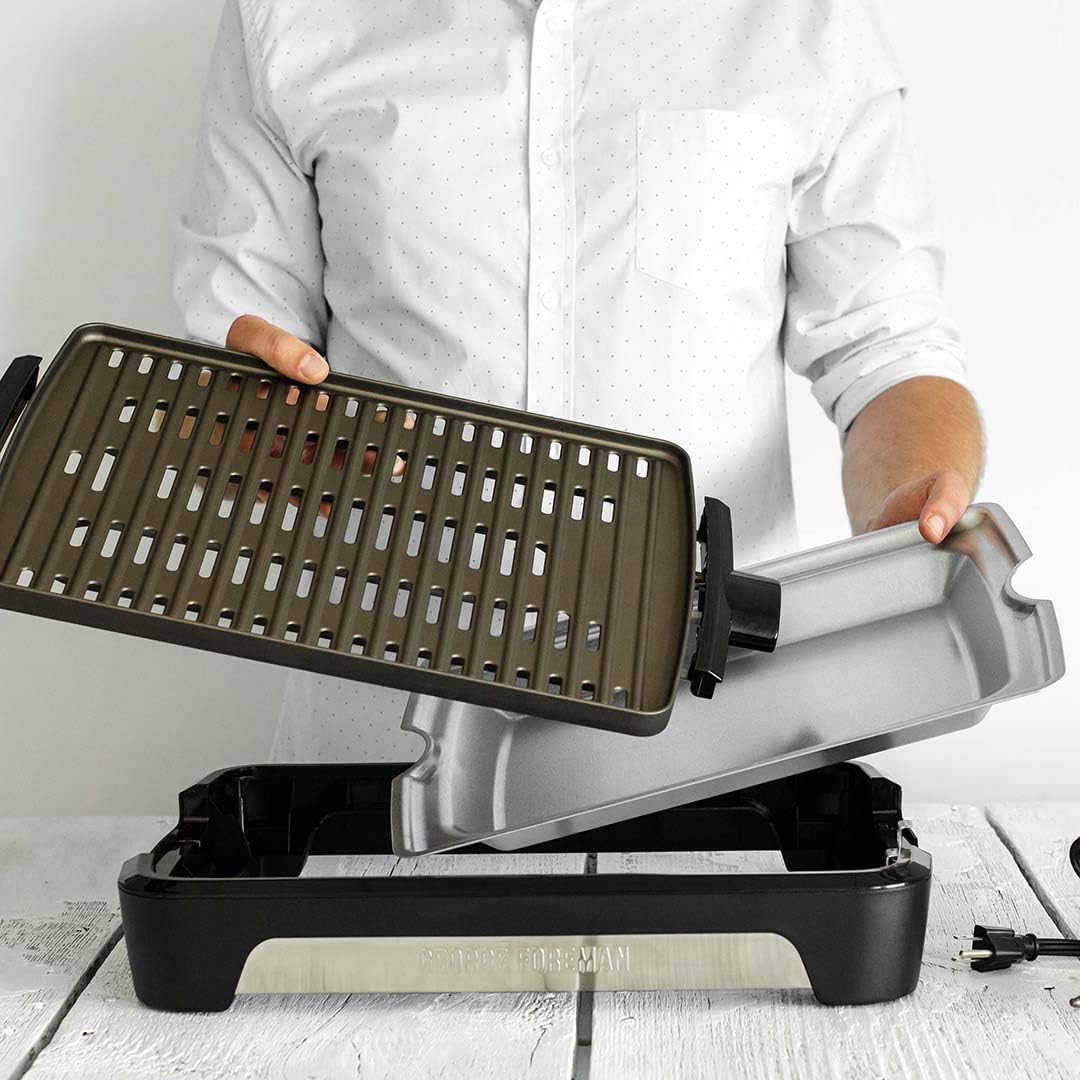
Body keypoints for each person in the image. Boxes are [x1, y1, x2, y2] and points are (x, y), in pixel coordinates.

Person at [173, 0, 983, 762]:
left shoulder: (805, 23)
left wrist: (904, 507)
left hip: (716, 740)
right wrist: (234, 426)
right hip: (381, 736)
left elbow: (887, 350)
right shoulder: (288, 18)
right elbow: (230, 354)